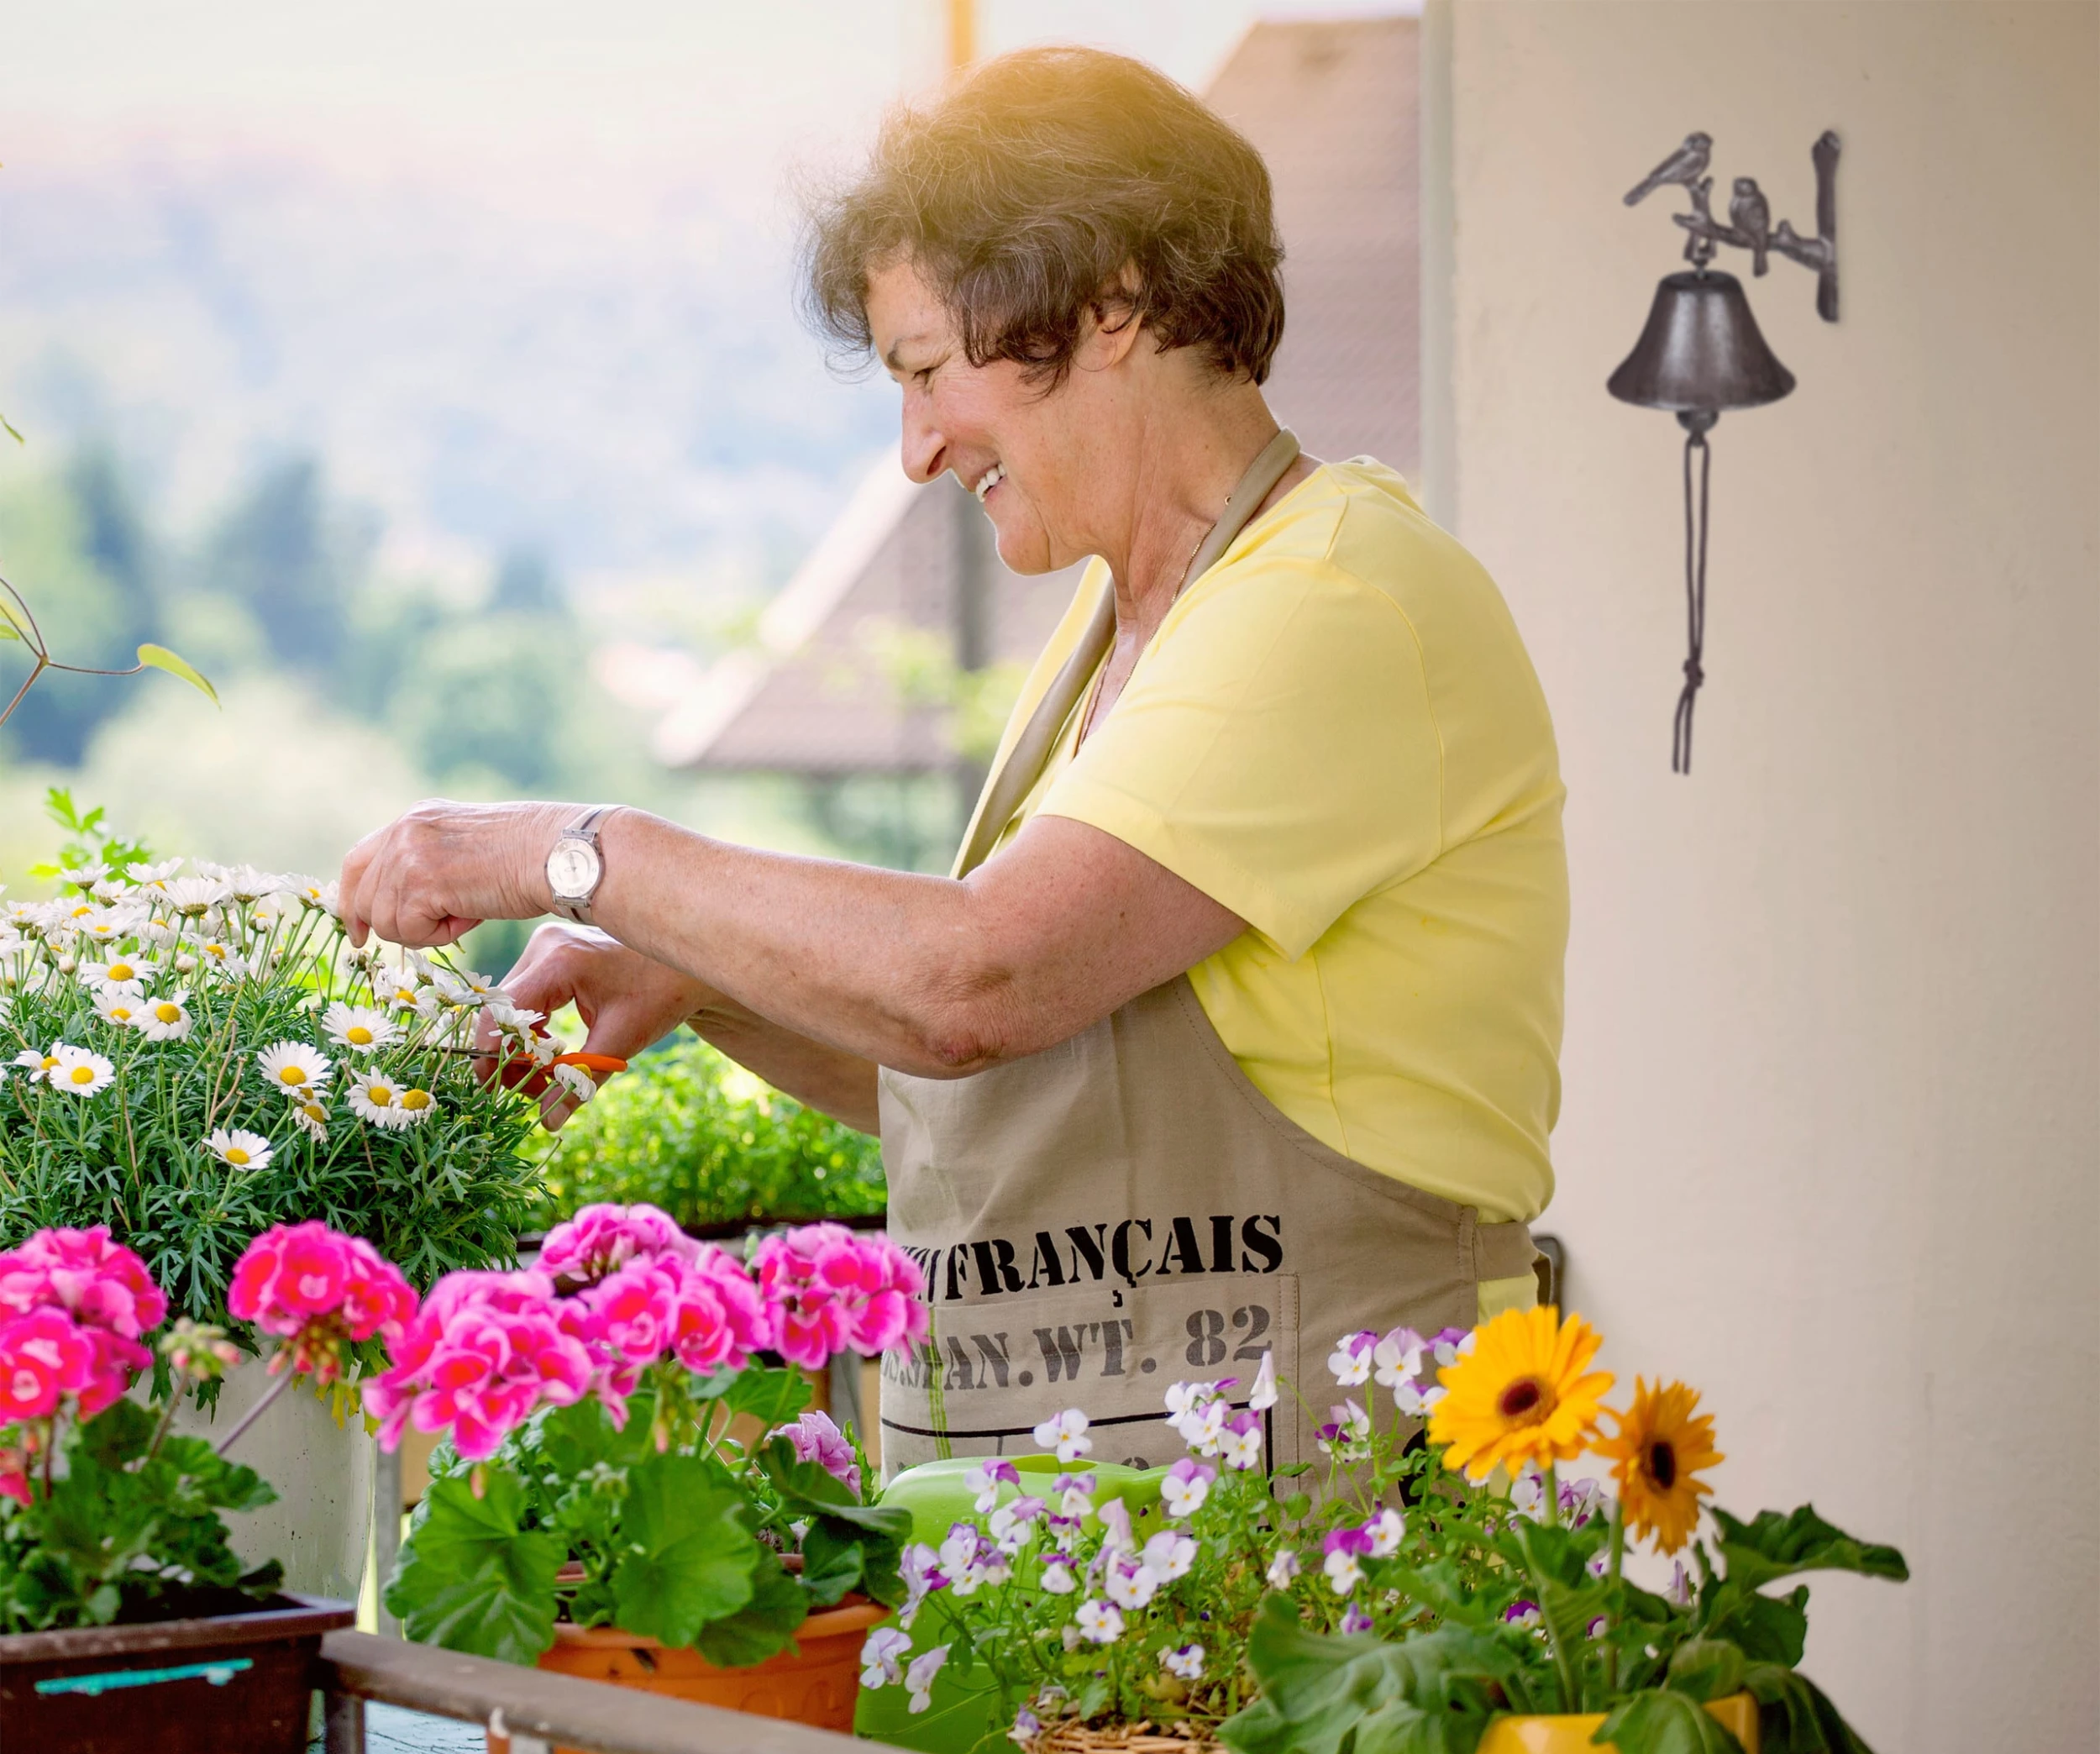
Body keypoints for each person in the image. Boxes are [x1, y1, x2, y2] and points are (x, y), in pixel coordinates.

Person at [338, 46, 1568, 1475]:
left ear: (1106, 303)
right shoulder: (1128, 630)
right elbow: (1006, 1102)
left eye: (927, 371)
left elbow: (974, 985)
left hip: (1333, 1590)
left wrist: (573, 855)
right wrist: (686, 975)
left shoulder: (1334, 598)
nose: (918, 448)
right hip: (1099, 1595)